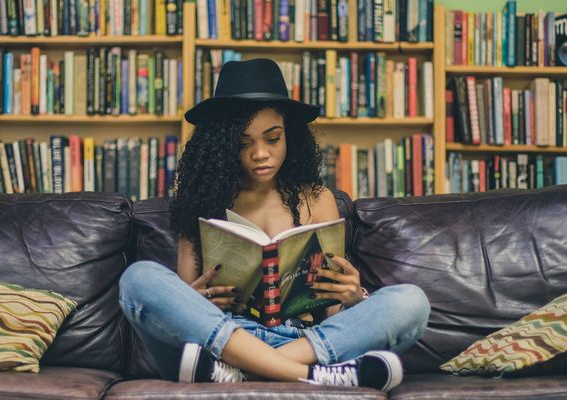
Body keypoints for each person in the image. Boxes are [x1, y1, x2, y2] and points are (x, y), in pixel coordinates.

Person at [119, 58, 430, 390]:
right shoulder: (199, 202)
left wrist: (354, 296)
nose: (260, 153)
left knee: (412, 302)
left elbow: (332, 311)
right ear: (223, 146)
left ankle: (251, 371)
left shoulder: (317, 199)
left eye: (272, 138)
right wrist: (195, 299)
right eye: (244, 142)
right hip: (223, 338)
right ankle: (312, 376)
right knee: (138, 279)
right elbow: (184, 310)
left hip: (301, 340)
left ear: (290, 137)